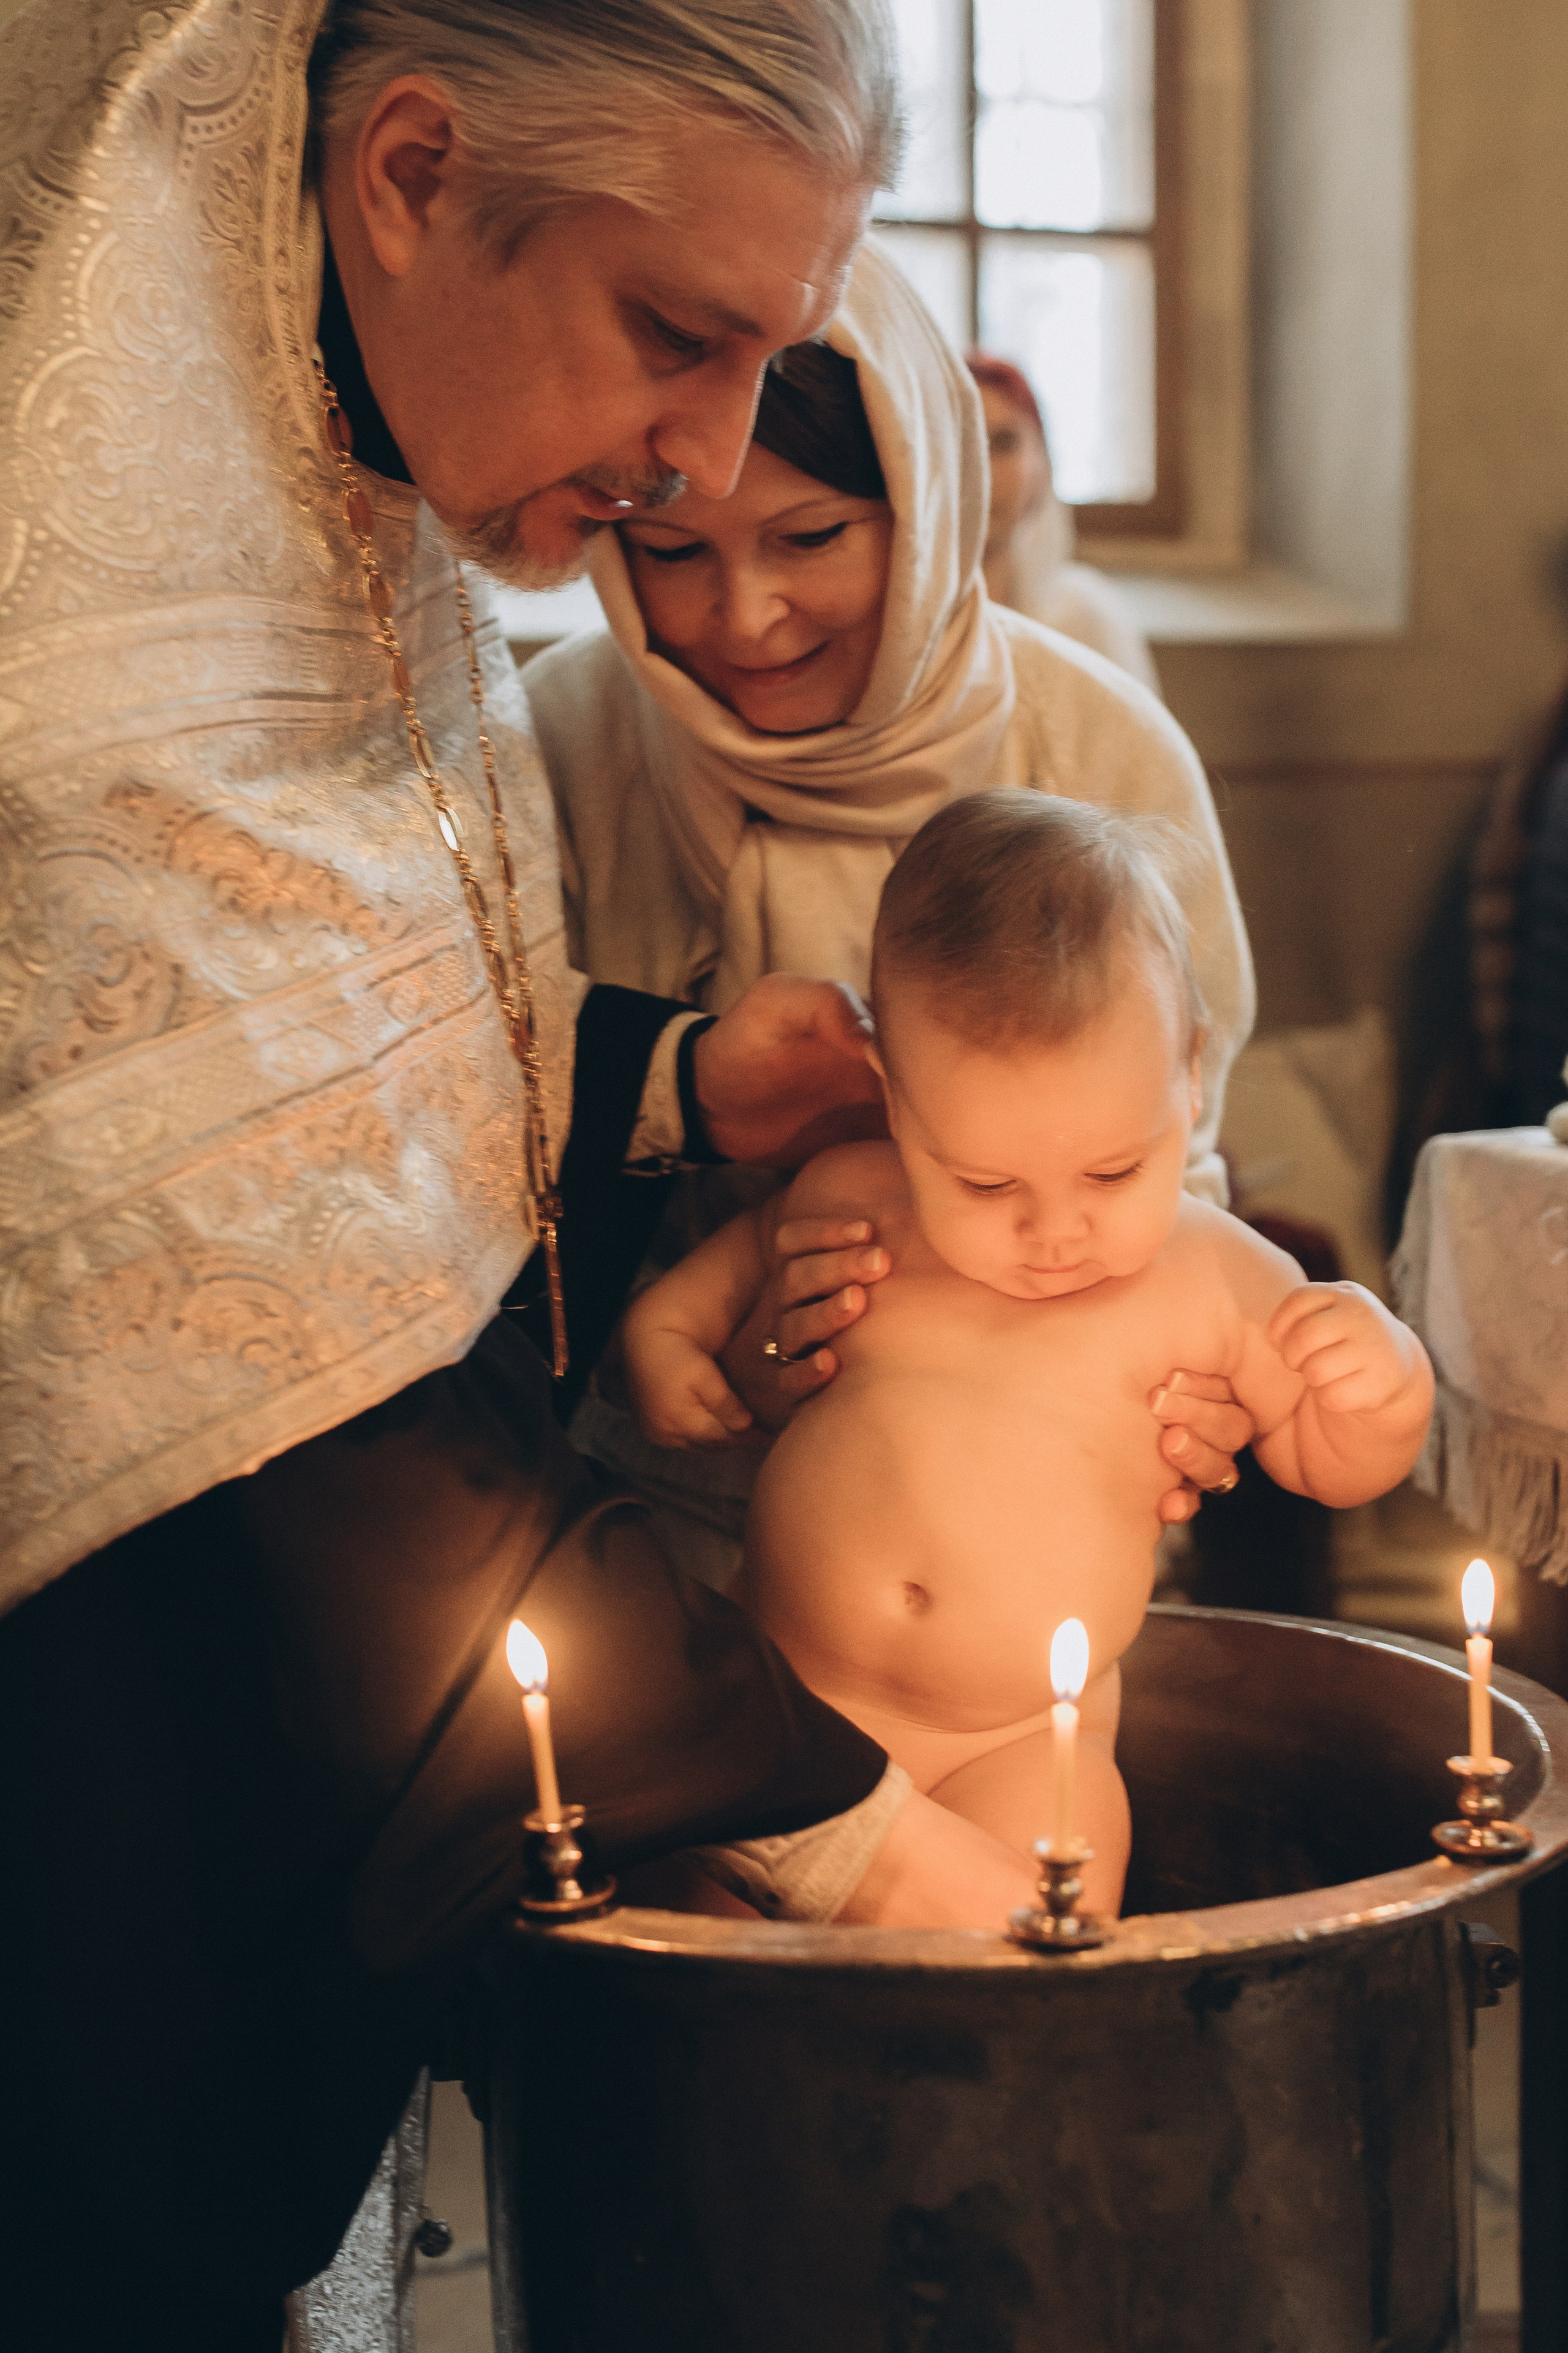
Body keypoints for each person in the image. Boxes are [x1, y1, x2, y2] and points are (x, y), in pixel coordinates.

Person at [0, 4, 1061, 2346]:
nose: (694, 475)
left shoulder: (347, 473)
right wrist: (863, 1845)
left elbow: (327, 1075)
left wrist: (674, 1084)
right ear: (401, 171)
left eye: (761, 361)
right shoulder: (64, 634)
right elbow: (248, 1372)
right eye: (668, 338)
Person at [524, 242, 1255, 1556]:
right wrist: (700, 1281)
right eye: (672, 550)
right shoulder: (562, 738)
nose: (746, 619)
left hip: (1044, 1484)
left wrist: (1182, 1393)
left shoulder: (1094, 745)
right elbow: (472, 1106)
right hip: (658, 1506)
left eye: (810, 538)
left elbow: (1172, 1152)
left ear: (924, 508)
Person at [623, 795, 1436, 1916]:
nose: (1054, 1232)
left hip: (1016, 1742)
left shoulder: (1216, 1276)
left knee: (1033, 1957)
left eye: (1113, 1174)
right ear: (900, 1107)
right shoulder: (854, 1199)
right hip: (784, 1703)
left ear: (1189, 1078)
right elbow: (714, 1283)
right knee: (696, 1949)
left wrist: (1384, 1382)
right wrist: (662, 1348)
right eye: (987, 1183)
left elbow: (1328, 1460)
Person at [967, 350, 1162, 695]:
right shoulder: (895, 625)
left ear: (1042, 464)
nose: (982, 471)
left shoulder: (1085, 619)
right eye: (963, 446)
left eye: (1003, 444)